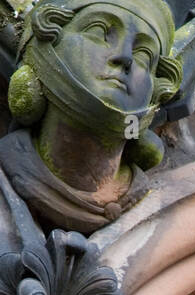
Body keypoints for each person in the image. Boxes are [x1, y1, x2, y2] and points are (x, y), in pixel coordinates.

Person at [0, 0, 181, 232]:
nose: (125, 57)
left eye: (144, 54)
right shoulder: (10, 167)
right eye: (99, 32)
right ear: (48, 38)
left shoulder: (157, 216)